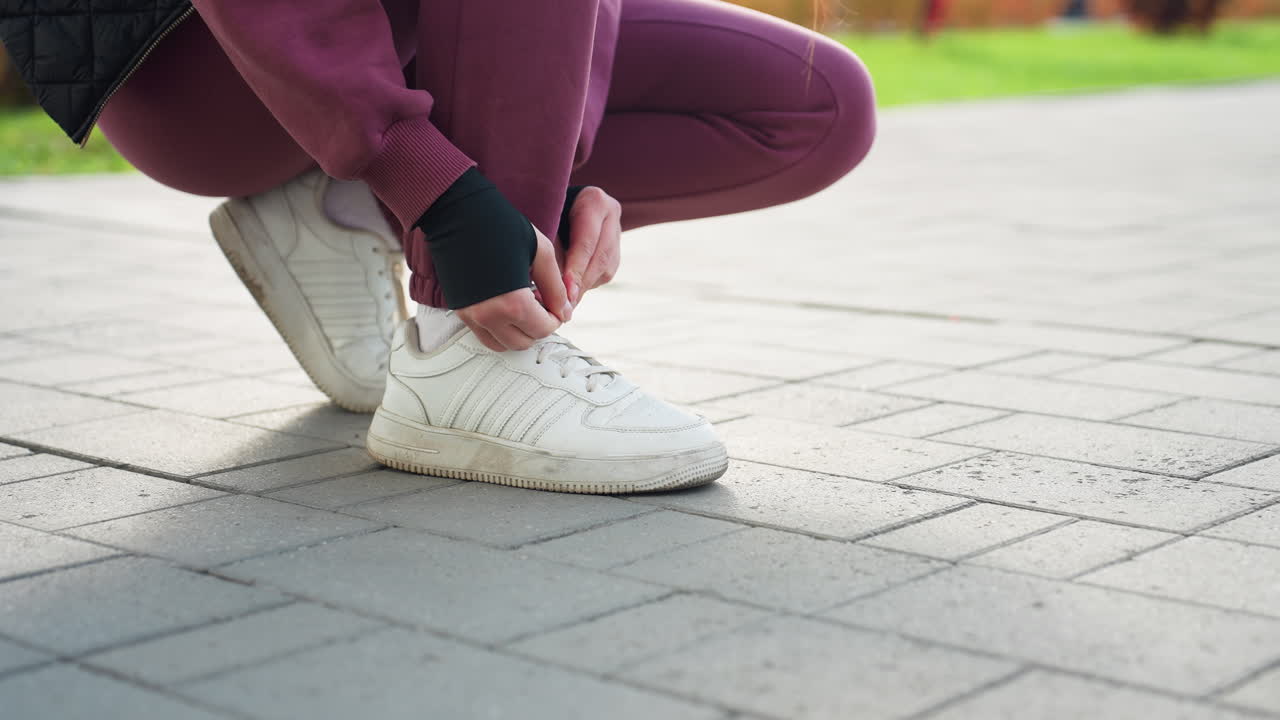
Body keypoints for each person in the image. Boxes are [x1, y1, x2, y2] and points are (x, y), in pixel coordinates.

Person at [0, 0, 875, 494]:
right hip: (195, 64)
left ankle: (335, 198)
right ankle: (464, 358)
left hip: (401, 40)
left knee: (817, 104)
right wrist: (432, 186)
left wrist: (554, 157)